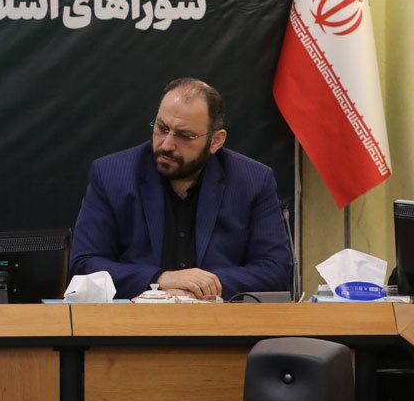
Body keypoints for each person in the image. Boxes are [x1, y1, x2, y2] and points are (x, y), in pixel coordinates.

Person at [69, 77, 292, 300]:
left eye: (185, 136)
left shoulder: (253, 181)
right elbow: (84, 266)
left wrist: (201, 286)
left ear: (216, 141)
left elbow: (276, 270)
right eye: (162, 128)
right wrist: (160, 279)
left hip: (220, 318)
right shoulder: (112, 175)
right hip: (135, 319)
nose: (166, 144)